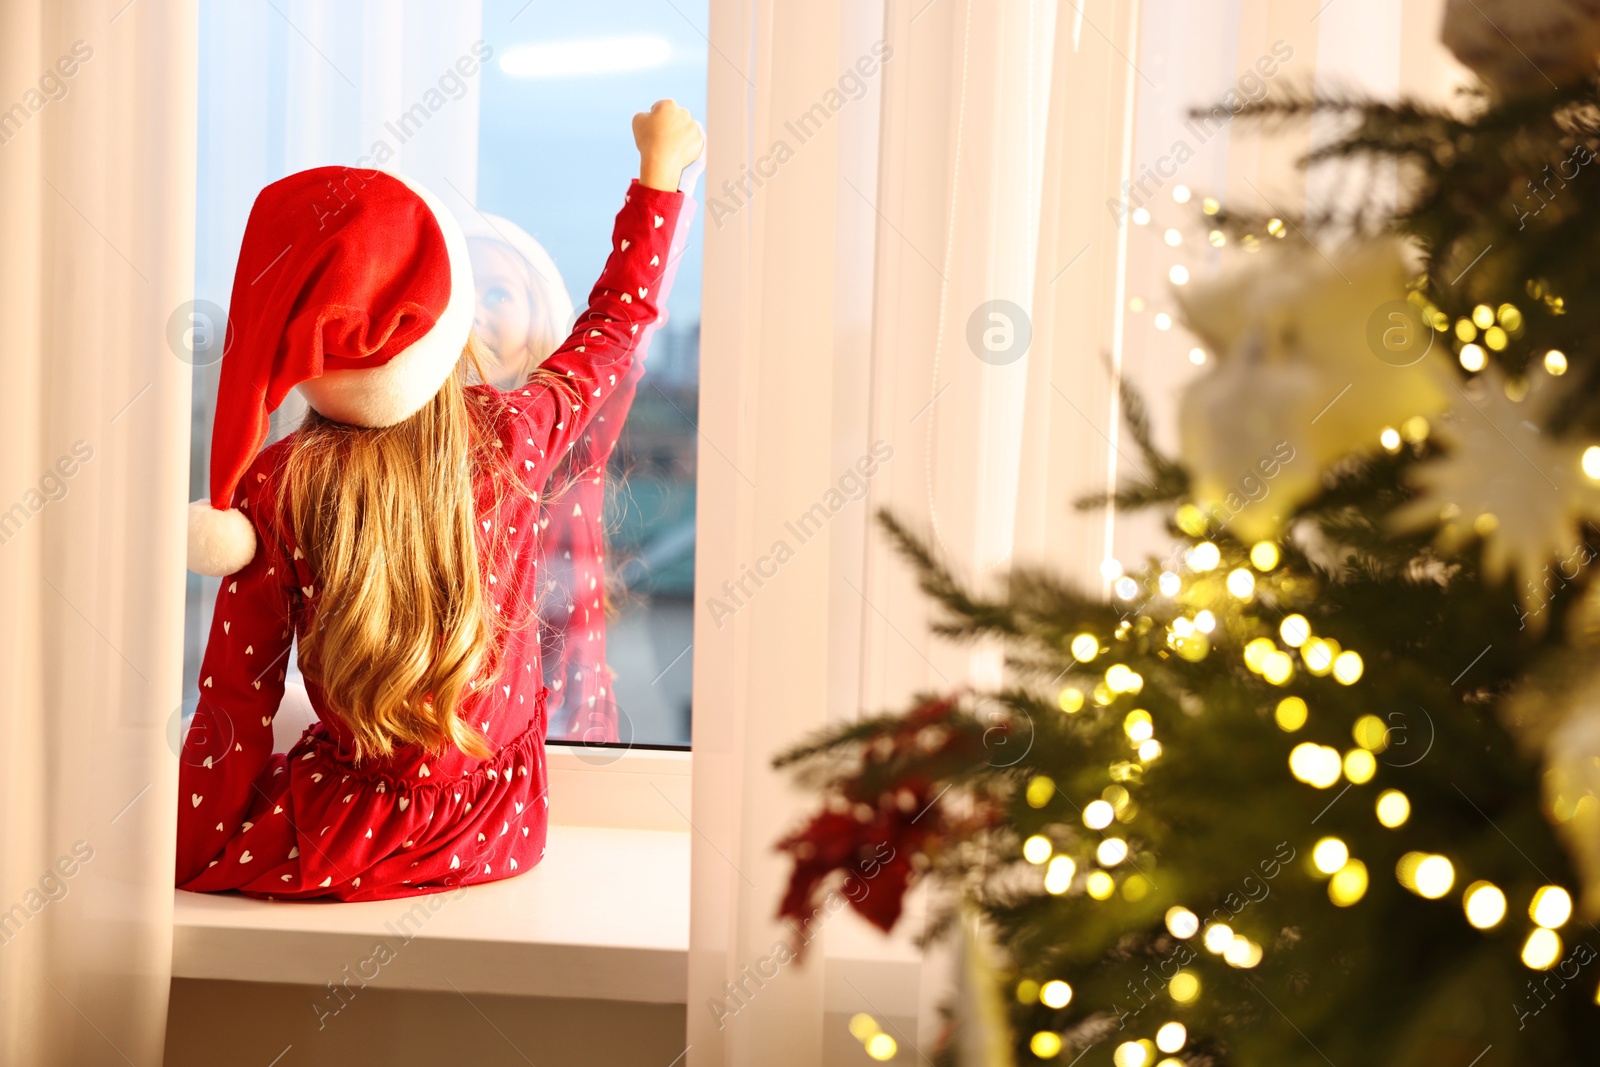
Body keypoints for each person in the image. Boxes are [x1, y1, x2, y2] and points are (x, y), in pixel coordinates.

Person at [175, 100, 703, 901]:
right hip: (502, 823)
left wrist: (191, 849)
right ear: (442, 317)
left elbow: (234, 698)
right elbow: (616, 324)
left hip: (343, 831)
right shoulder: (515, 433)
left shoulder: (277, 485)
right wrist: (658, 180)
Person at [459, 172, 699, 745]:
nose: (475, 315)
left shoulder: (570, 422)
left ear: (538, 310)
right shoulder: (416, 436)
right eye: (459, 296)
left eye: (497, 294)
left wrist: (662, 183)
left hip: (567, 718)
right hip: (457, 729)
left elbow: (627, 323)